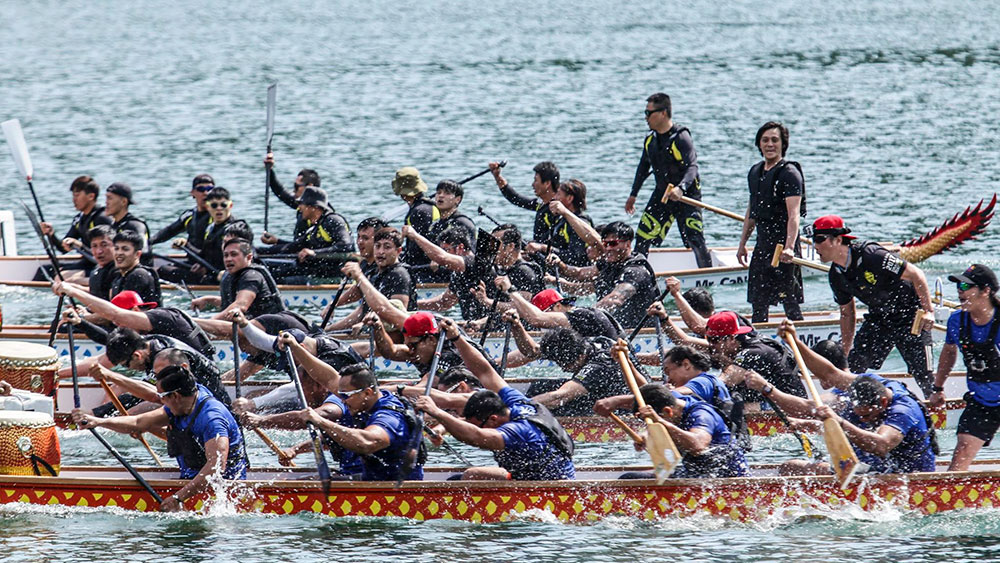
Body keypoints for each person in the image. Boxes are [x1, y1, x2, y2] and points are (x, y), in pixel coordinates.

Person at [746, 322, 936, 475]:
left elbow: (881, 445)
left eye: (866, 417)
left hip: (905, 477)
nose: (862, 419)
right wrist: (794, 341)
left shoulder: (902, 410)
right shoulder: (864, 385)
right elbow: (829, 376)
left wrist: (839, 422)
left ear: (884, 403)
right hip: (869, 470)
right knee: (790, 467)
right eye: (858, 415)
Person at [414, 317, 575, 481]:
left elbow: (475, 436)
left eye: (480, 425)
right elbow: (484, 371)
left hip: (548, 486)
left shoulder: (518, 431)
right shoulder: (516, 402)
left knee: (465, 478)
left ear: (492, 419)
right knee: (462, 478)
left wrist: (436, 413)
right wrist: (456, 338)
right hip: (530, 475)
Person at [71, 365, 247, 512]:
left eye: (162, 397)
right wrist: (98, 421)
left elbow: (215, 470)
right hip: (190, 478)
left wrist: (178, 498)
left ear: (175, 396)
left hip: (223, 492)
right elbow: (139, 422)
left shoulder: (212, 419)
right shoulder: (185, 401)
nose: (160, 401)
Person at [810, 215, 936, 395]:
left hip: (911, 317)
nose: (815, 246)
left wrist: (929, 311)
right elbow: (847, 314)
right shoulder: (836, 276)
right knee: (853, 367)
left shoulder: (871, 255)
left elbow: (917, 274)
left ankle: (935, 405)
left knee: (924, 375)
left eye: (819, 239)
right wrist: (844, 356)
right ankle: (851, 409)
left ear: (838, 240)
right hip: (880, 318)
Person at [295, 362, 424, 481]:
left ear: (367, 393)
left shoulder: (389, 416)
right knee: (309, 480)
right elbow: (335, 435)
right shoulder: (363, 406)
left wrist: (320, 421)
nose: (342, 400)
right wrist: (296, 449)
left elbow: (367, 442)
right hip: (370, 480)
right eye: (340, 395)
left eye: (346, 395)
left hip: (393, 490)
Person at [625, 93, 711, 266]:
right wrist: (633, 195)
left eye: (649, 113)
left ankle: (706, 276)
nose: (646, 118)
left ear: (663, 113)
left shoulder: (681, 137)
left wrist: (681, 188)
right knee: (643, 236)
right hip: (662, 195)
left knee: (694, 238)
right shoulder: (651, 139)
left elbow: (692, 166)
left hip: (687, 196)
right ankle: (637, 273)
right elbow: (643, 167)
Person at [929, 264, 1000, 470]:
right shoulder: (956, 321)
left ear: (986, 290)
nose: (960, 291)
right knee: (961, 453)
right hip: (982, 402)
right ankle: (952, 496)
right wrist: (938, 388)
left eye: (965, 285)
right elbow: (949, 353)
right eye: (958, 286)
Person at [737, 122, 806, 322]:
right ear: (759, 144)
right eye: (765, 140)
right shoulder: (755, 172)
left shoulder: (790, 173)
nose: (770, 144)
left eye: (775, 140)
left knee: (789, 302)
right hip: (763, 245)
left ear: (783, 144)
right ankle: (758, 344)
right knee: (758, 303)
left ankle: (801, 340)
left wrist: (790, 247)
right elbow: (752, 212)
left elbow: (793, 215)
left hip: (783, 247)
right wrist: (742, 244)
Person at [52, 282, 215, 359]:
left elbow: (115, 314)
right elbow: (109, 340)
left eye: (119, 322)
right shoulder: (142, 335)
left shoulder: (161, 318)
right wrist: (81, 323)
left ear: (135, 311)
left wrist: (74, 291)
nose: (117, 326)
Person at [548, 222, 658, 328]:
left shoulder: (635, 270)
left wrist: (583, 315)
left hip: (644, 331)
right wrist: (561, 265)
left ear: (628, 244)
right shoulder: (609, 262)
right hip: (618, 327)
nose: (608, 248)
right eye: (605, 244)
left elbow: (615, 299)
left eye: (613, 243)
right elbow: (579, 273)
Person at [634, 383, 748, 478]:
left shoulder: (702, 415)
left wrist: (659, 421)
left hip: (725, 478)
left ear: (668, 411)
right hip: (696, 473)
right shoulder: (673, 400)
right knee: (633, 478)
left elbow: (698, 445)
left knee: (630, 479)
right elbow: (649, 392)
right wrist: (646, 435)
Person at [705, 311, 806, 406]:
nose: (710, 344)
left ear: (732, 338)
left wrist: (692, 389)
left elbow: (724, 381)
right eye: (708, 339)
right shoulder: (748, 341)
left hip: (791, 409)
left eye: (714, 340)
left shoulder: (754, 352)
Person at [327, 227, 417, 332]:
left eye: (387, 247)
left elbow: (397, 316)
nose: (381, 252)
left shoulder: (400, 274)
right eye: (377, 246)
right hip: (373, 332)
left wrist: (363, 324)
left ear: (398, 251)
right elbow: (362, 312)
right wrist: (328, 330)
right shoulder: (374, 274)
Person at [526, 328, 632, 416]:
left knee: (555, 402)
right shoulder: (597, 342)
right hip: (606, 394)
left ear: (580, 357)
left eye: (564, 365)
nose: (563, 369)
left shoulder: (597, 366)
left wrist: (520, 406)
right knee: (540, 386)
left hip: (623, 409)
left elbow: (558, 397)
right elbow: (532, 351)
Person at [257, 186, 354, 282]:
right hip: (316, 271)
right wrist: (257, 250)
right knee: (265, 267)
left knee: (273, 276)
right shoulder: (315, 227)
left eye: (301, 204)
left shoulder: (333, 220)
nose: (299, 208)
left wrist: (315, 253)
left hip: (335, 275)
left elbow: (346, 246)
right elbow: (295, 247)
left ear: (314, 207)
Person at [160, 186, 247, 284]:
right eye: (214, 205)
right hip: (212, 273)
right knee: (164, 270)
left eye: (223, 205)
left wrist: (230, 273)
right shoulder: (210, 228)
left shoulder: (237, 228)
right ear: (208, 207)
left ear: (230, 206)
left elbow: (244, 257)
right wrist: (186, 245)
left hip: (228, 275)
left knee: (165, 271)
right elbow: (205, 255)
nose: (219, 209)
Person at [408, 225, 491, 321]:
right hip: (472, 326)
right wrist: (412, 305)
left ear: (460, 247)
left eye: (447, 250)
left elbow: (442, 258)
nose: (445, 253)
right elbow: (444, 303)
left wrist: (415, 236)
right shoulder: (459, 273)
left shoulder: (475, 263)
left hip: (492, 325)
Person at [37, 175, 113, 276]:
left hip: (100, 267)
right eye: (73, 195)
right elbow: (63, 249)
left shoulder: (102, 218)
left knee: (59, 274)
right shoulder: (79, 219)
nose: (74, 199)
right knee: (44, 271)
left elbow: (108, 252)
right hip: (86, 263)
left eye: (77, 195)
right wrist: (51, 234)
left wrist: (80, 246)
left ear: (91, 196)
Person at [191, 238, 285, 319]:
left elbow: (240, 305)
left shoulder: (251, 276)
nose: (228, 259)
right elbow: (230, 302)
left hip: (270, 330)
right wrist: (208, 300)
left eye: (234, 254)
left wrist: (210, 322)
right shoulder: (234, 275)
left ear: (248, 257)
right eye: (226, 255)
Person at [261, 152, 320, 248]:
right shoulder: (302, 206)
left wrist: (278, 242)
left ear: (309, 187)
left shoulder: (321, 212)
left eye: (296, 187)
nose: (293, 190)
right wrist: (270, 170)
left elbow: (310, 246)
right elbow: (280, 192)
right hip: (297, 251)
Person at [423, 180, 477, 282]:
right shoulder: (435, 225)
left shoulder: (463, 223)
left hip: (456, 277)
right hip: (434, 273)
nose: (441, 196)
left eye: (447, 193)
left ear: (458, 199)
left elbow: (470, 257)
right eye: (438, 192)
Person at [392, 167, 439, 281]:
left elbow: (416, 248)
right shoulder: (431, 205)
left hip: (424, 270)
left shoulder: (417, 212)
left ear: (402, 194)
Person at [149, 173, 214, 250]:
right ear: (192, 193)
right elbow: (169, 231)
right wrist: (147, 243)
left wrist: (186, 245)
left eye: (209, 189)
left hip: (210, 260)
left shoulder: (217, 217)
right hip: (192, 259)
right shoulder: (189, 215)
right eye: (201, 189)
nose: (206, 193)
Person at [108, 230, 162, 306]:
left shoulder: (139, 275)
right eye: (116, 249)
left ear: (137, 254)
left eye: (125, 249)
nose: (119, 253)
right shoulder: (118, 277)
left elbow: (120, 311)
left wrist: (87, 316)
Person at [104, 182, 151, 264]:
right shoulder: (113, 226)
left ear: (124, 202)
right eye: (106, 198)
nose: (106, 202)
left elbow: (144, 250)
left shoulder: (136, 225)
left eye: (110, 198)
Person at [85, 225, 117, 299]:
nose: (99, 251)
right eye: (94, 246)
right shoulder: (97, 269)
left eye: (104, 245)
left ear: (115, 246)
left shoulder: (119, 272)